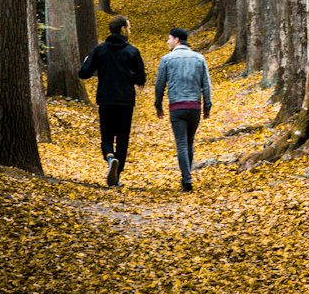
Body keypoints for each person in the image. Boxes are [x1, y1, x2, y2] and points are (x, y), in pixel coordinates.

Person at [78, 15, 146, 187]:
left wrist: (88, 60)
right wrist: (131, 77)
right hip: (125, 100)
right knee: (123, 138)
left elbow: (83, 73)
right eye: (128, 27)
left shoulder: (100, 50)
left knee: (106, 135)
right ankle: (117, 176)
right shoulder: (132, 51)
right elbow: (141, 78)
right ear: (123, 29)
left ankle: (109, 157)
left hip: (106, 100)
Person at [154, 26, 212, 192]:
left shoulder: (167, 59)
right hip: (194, 106)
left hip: (177, 107)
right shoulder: (199, 58)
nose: (167, 41)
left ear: (177, 40)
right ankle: (187, 177)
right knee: (189, 142)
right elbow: (206, 85)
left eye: (169, 38)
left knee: (181, 144)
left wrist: (158, 104)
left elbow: (159, 84)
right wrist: (207, 106)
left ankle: (187, 180)